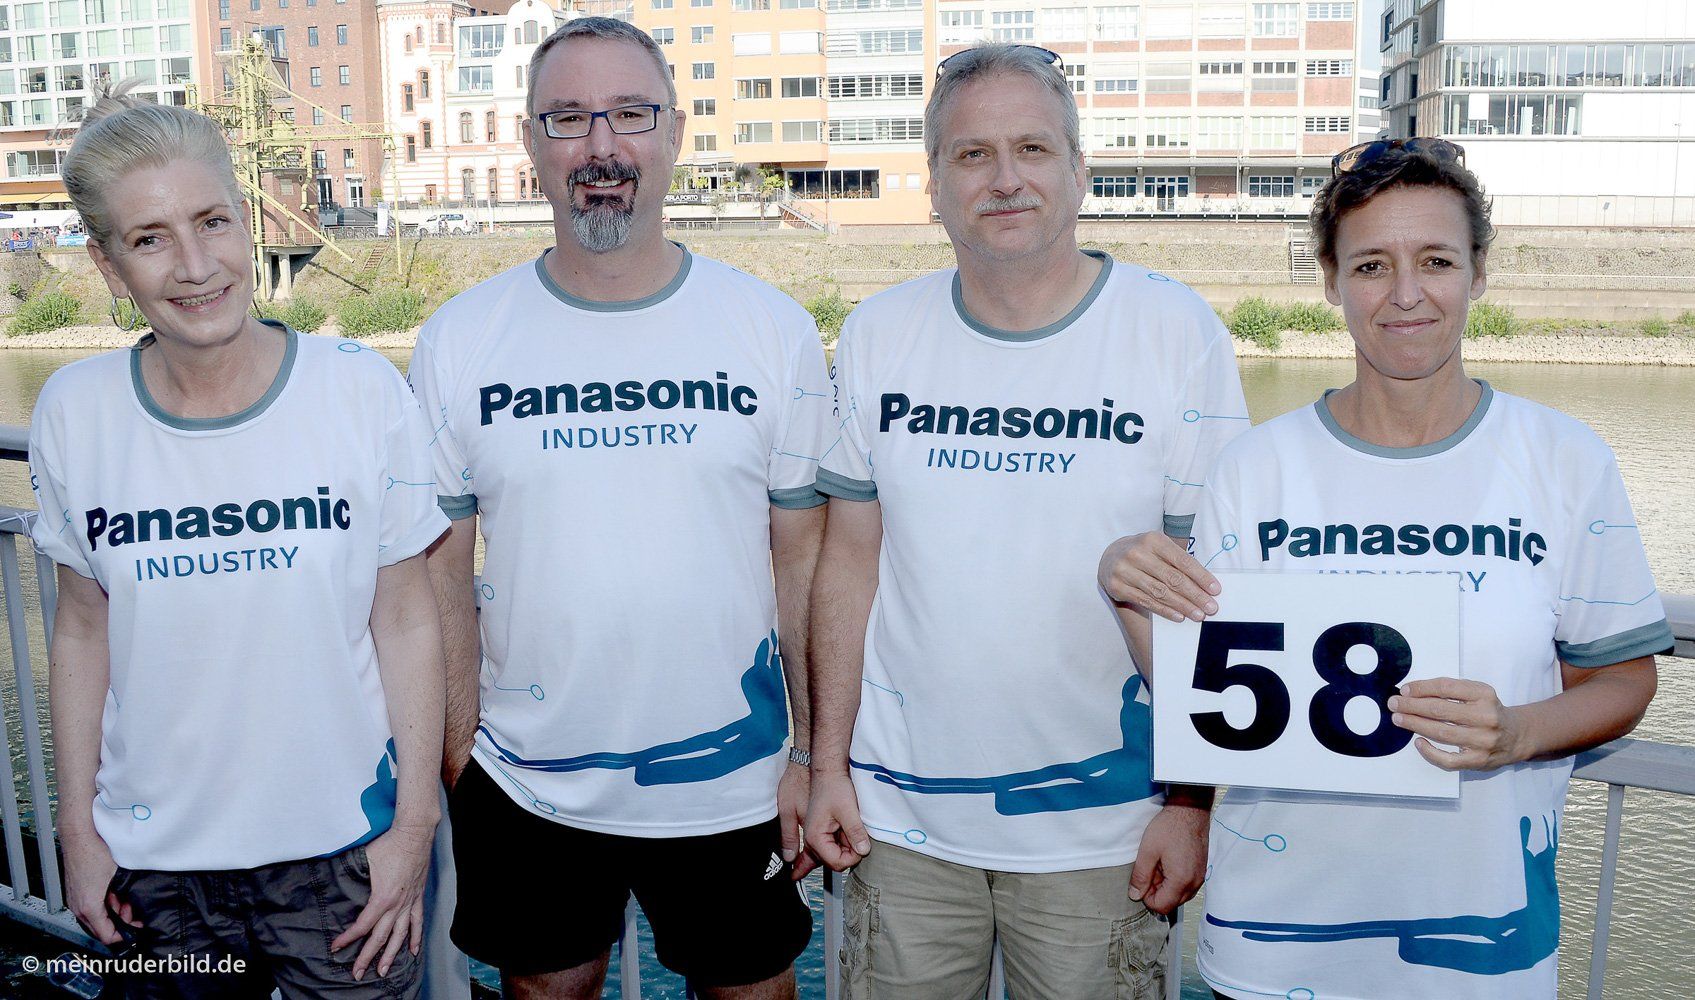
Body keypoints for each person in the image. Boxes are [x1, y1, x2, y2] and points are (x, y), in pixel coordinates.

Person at [1158, 138, 1674, 1000]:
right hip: (1274, 945)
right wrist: (1182, 802)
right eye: (1370, 265)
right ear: (1330, 281)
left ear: (1478, 273)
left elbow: (1622, 677)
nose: (1405, 293)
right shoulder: (1252, 469)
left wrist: (1517, 732)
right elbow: (1206, 694)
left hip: (1481, 949)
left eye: (1435, 260)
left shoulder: (1563, 459)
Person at [804, 43, 1249, 999]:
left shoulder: (1175, 331)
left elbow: (1219, 594)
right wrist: (824, 764)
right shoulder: (879, 332)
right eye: (971, 155)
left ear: (1078, 170)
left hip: (1105, 832)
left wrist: (1191, 801)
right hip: (901, 825)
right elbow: (847, 564)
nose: (1004, 179)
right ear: (933, 185)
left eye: (1032, 149)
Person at [409, 18, 828, 999]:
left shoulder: (772, 330)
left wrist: (812, 754)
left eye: (630, 114)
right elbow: (438, 567)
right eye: (568, 118)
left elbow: (805, 560)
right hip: (528, 782)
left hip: (736, 781)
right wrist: (462, 756)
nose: (601, 145)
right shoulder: (460, 340)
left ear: (674, 132)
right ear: (531, 144)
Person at [28, 86, 447, 997]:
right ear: (107, 264)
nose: (194, 265)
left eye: (212, 221)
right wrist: (77, 830)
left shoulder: (359, 391)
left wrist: (414, 827)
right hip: (157, 871)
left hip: (342, 857)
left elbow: (409, 619)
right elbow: (83, 630)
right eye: (149, 239)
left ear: (246, 222)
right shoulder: (74, 413)